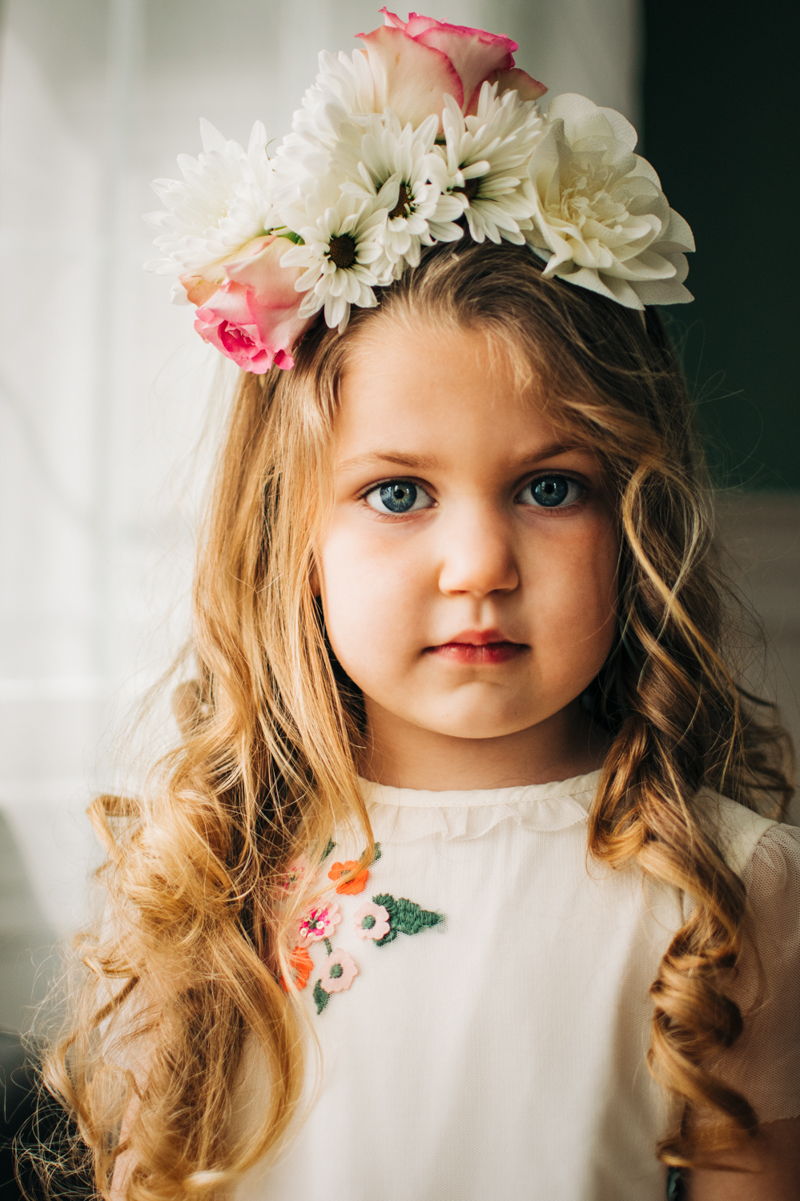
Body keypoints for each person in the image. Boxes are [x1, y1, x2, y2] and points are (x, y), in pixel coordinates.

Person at [40, 11, 800, 1201]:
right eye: (397, 492)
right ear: (290, 536)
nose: (477, 562)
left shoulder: (727, 891)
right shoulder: (209, 878)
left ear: (633, 521)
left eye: (550, 487)